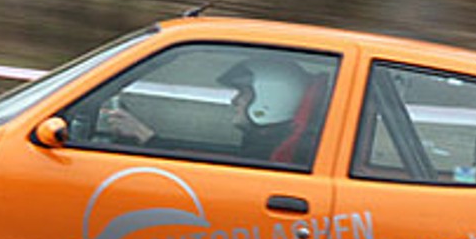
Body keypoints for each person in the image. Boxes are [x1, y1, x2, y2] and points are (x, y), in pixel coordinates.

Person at [101, 55, 318, 162]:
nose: (235, 102)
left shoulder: (265, 155)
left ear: (270, 98)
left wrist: (145, 136)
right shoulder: (266, 145)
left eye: (243, 93)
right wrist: (146, 136)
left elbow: (216, 173)